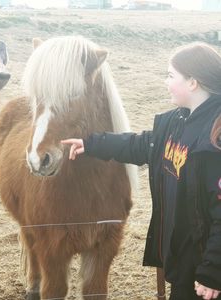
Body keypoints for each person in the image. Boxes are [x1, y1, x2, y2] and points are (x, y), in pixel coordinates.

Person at [61, 43, 221, 300]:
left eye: (170, 76)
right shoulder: (177, 120)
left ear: (193, 82)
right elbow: (142, 144)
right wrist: (91, 144)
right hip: (183, 259)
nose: (165, 82)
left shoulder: (214, 139)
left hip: (206, 267)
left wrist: (214, 272)